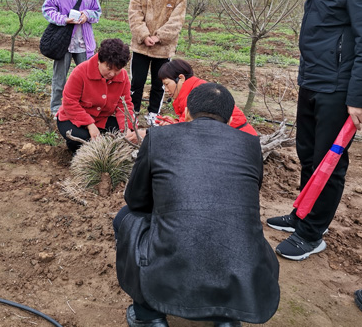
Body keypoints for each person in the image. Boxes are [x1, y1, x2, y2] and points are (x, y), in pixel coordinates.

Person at [266, 0, 362, 260]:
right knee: (307, 153)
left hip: (339, 87)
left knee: (328, 162)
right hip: (313, 79)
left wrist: (360, 97)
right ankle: (303, 213)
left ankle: (313, 232)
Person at [114, 83, 279, 327]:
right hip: (242, 269)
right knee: (239, 229)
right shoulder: (250, 145)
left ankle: (149, 316)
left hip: (171, 259)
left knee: (125, 219)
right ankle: (227, 318)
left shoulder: (158, 137)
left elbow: (136, 200)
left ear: (186, 113)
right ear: (229, 119)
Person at [42, 0, 101, 116]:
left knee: (87, 78)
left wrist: (87, 15)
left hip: (84, 42)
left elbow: (97, 12)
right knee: (59, 78)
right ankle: (56, 109)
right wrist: (63, 19)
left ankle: (83, 109)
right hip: (64, 41)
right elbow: (47, 9)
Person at [128, 0, 186, 126]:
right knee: (137, 81)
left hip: (163, 49)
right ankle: (133, 113)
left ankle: (153, 113)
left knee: (159, 83)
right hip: (141, 47)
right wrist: (144, 35)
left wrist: (158, 36)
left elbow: (177, 21)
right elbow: (134, 14)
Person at [56, 38, 135, 152]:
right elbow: (70, 103)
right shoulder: (80, 72)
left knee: (127, 136)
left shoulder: (123, 77)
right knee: (83, 139)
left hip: (101, 119)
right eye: (109, 68)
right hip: (71, 117)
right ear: (99, 60)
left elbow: (124, 104)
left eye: (117, 70)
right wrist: (90, 124)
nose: (112, 74)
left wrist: (126, 128)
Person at [156, 59, 257, 135]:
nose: (166, 89)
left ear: (181, 78)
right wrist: (174, 122)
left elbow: (191, 130)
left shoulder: (197, 95)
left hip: (238, 138)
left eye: (167, 84)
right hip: (237, 135)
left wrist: (173, 127)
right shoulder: (196, 88)